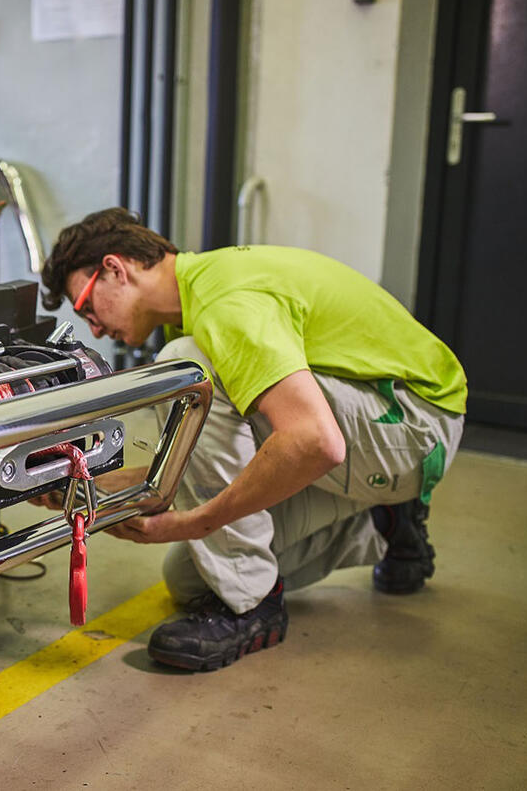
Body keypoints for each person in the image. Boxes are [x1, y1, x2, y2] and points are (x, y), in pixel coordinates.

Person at [39, 207, 467, 672]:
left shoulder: (224, 302)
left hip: (415, 424)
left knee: (187, 370)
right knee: (190, 579)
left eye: (86, 307)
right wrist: (89, 487)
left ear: (115, 269)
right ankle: (386, 522)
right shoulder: (202, 296)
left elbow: (314, 440)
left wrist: (197, 523)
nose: (94, 329)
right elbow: (201, 466)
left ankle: (253, 608)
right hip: (384, 438)